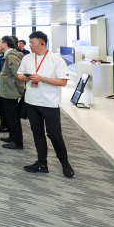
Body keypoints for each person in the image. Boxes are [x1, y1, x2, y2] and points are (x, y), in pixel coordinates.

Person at [17, 31, 74, 178]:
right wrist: (24, 78)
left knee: (54, 135)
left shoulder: (56, 59)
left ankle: (64, 162)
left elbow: (63, 81)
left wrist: (43, 79)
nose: (30, 45)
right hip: (31, 101)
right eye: (30, 43)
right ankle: (42, 164)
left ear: (43, 43)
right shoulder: (27, 58)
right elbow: (19, 74)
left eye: (33, 43)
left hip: (50, 103)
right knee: (37, 133)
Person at [0, 36, 26, 150]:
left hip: (11, 92)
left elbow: (17, 76)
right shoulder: (8, 55)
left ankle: (17, 142)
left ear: (5, 44)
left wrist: (20, 90)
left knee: (13, 117)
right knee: (10, 116)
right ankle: (12, 136)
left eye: (0, 43)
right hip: (7, 91)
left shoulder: (11, 57)